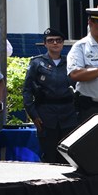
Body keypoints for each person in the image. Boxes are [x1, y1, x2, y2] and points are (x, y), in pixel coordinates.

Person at [22, 28, 79, 163]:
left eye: (58, 41)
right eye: (50, 41)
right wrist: (33, 115)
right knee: (49, 155)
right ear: (45, 44)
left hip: (68, 114)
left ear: (63, 43)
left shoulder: (70, 63)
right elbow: (27, 90)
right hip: (46, 114)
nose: (55, 43)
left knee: (68, 154)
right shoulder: (37, 63)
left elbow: (79, 87)